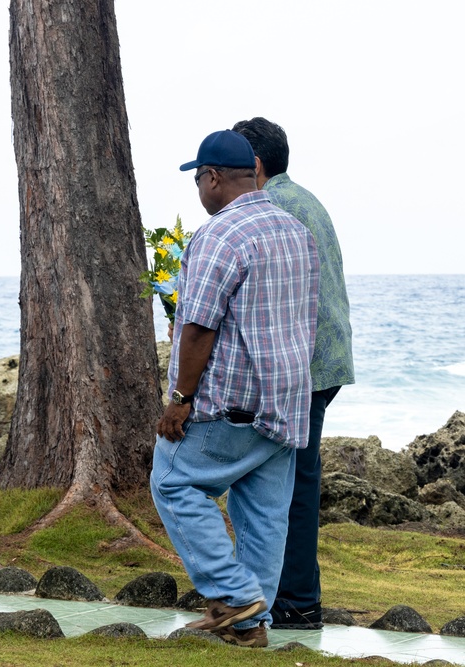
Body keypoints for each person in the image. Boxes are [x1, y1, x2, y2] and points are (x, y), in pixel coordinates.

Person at [150, 129, 320, 648]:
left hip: (232, 403)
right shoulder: (296, 230)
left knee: (174, 482)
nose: (199, 191)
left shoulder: (220, 235)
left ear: (214, 177)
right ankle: (249, 627)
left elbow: (198, 326)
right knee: (264, 514)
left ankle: (233, 592)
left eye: (198, 179)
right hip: (288, 399)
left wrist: (179, 400)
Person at [232, 117, 355, 629]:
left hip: (301, 367)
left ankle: (296, 601)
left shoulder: (272, 208)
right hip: (322, 362)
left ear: (254, 165)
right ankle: (284, 596)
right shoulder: (304, 199)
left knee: (291, 486)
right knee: (291, 480)